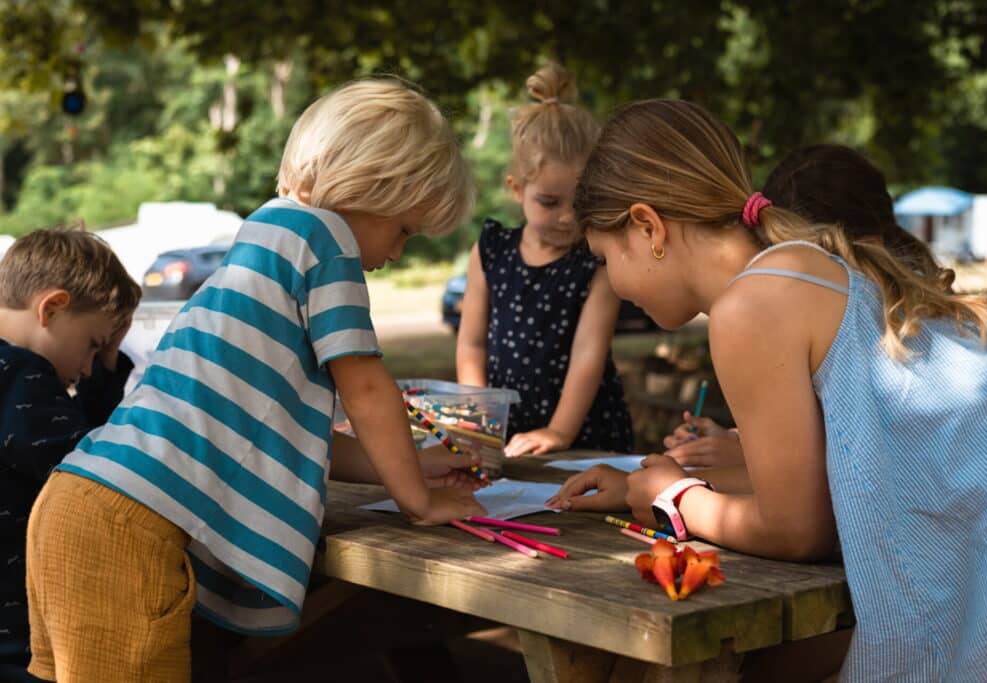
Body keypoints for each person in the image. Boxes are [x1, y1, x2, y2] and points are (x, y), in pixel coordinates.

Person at [24, 79, 485, 683]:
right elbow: (368, 388)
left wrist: (411, 461)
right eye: (403, 230)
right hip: (126, 532)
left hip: (76, 507)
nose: (397, 252)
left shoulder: (265, 241)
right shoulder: (326, 241)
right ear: (372, 187)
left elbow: (287, 437)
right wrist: (417, 501)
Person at [550, 98, 987, 679]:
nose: (614, 286)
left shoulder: (750, 305)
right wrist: (641, 486)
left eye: (604, 258)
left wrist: (672, 500)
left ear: (648, 227)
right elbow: (843, 473)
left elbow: (798, 530)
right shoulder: (803, 265)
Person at [664, 144, 955, 468]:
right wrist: (743, 443)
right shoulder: (887, 311)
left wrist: (731, 465)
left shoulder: (882, 326)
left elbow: (845, 479)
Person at [456, 63, 632, 457]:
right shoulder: (491, 251)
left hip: (583, 434)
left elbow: (590, 352)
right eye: (549, 202)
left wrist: (558, 432)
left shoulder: (597, 261)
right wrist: (478, 420)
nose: (568, 216)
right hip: (507, 432)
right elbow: (470, 343)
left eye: (580, 200)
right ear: (517, 190)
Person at [0, 227, 139, 682]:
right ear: (53, 308)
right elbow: (89, 472)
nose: (85, 366)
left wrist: (106, 363)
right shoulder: (24, 376)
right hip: (13, 637)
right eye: (93, 346)